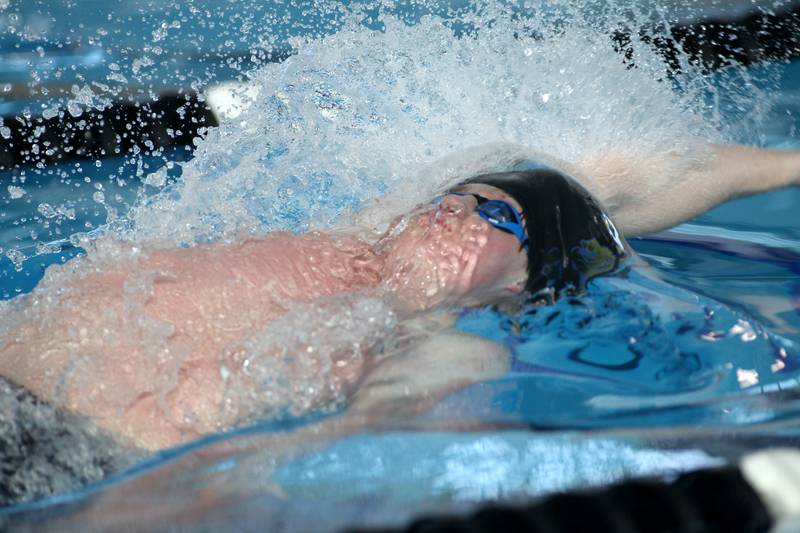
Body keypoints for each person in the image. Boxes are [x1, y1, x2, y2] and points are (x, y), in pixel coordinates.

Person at [0, 142, 797, 451]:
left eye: (496, 214)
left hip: (60, 452)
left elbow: (345, 448)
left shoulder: (439, 340)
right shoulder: (357, 240)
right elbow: (615, 168)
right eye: (459, 193)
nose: (455, 206)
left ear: (528, 275)